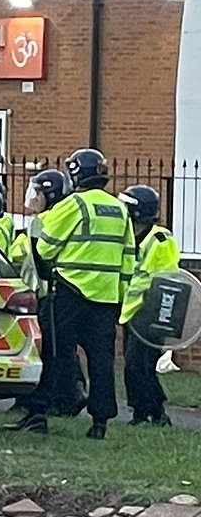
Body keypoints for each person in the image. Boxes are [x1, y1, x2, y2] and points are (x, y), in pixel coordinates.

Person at [14, 149, 135, 440]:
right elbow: (129, 258)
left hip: (69, 292)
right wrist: (119, 297)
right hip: (106, 299)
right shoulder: (120, 209)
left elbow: (44, 248)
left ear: (76, 174)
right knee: (102, 361)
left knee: (54, 353)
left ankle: (37, 413)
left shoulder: (74, 205)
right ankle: (100, 422)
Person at [11, 169, 87, 420]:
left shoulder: (48, 219)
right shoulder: (52, 216)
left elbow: (33, 252)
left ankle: (62, 396)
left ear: (51, 195)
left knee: (52, 350)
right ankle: (69, 392)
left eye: (39, 193)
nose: (34, 198)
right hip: (53, 291)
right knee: (61, 347)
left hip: (47, 292)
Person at [119, 184, 180, 427]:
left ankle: (152, 411)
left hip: (151, 313)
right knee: (135, 366)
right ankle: (146, 412)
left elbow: (167, 281)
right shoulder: (130, 238)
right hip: (132, 312)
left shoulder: (160, 240)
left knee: (139, 365)